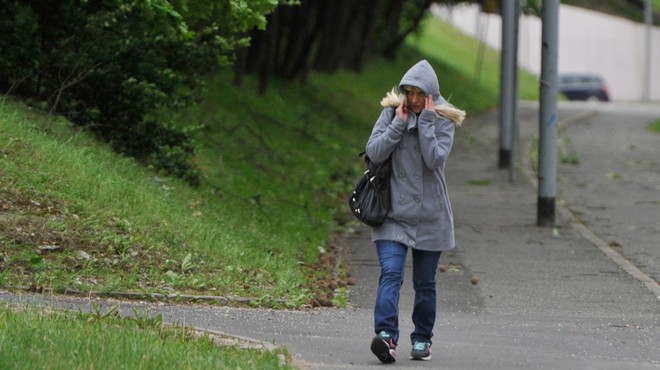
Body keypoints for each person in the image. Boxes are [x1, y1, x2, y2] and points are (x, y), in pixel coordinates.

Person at [364, 59, 465, 363]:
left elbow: (435, 160)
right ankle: (385, 337)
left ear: (431, 94)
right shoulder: (391, 113)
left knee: (424, 284)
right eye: (409, 92)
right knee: (391, 273)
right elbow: (374, 152)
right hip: (393, 212)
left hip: (430, 216)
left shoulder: (444, 119)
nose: (415, 99)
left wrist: (428, 123)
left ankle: (422, 338)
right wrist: (397, 124)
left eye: (420, 94)